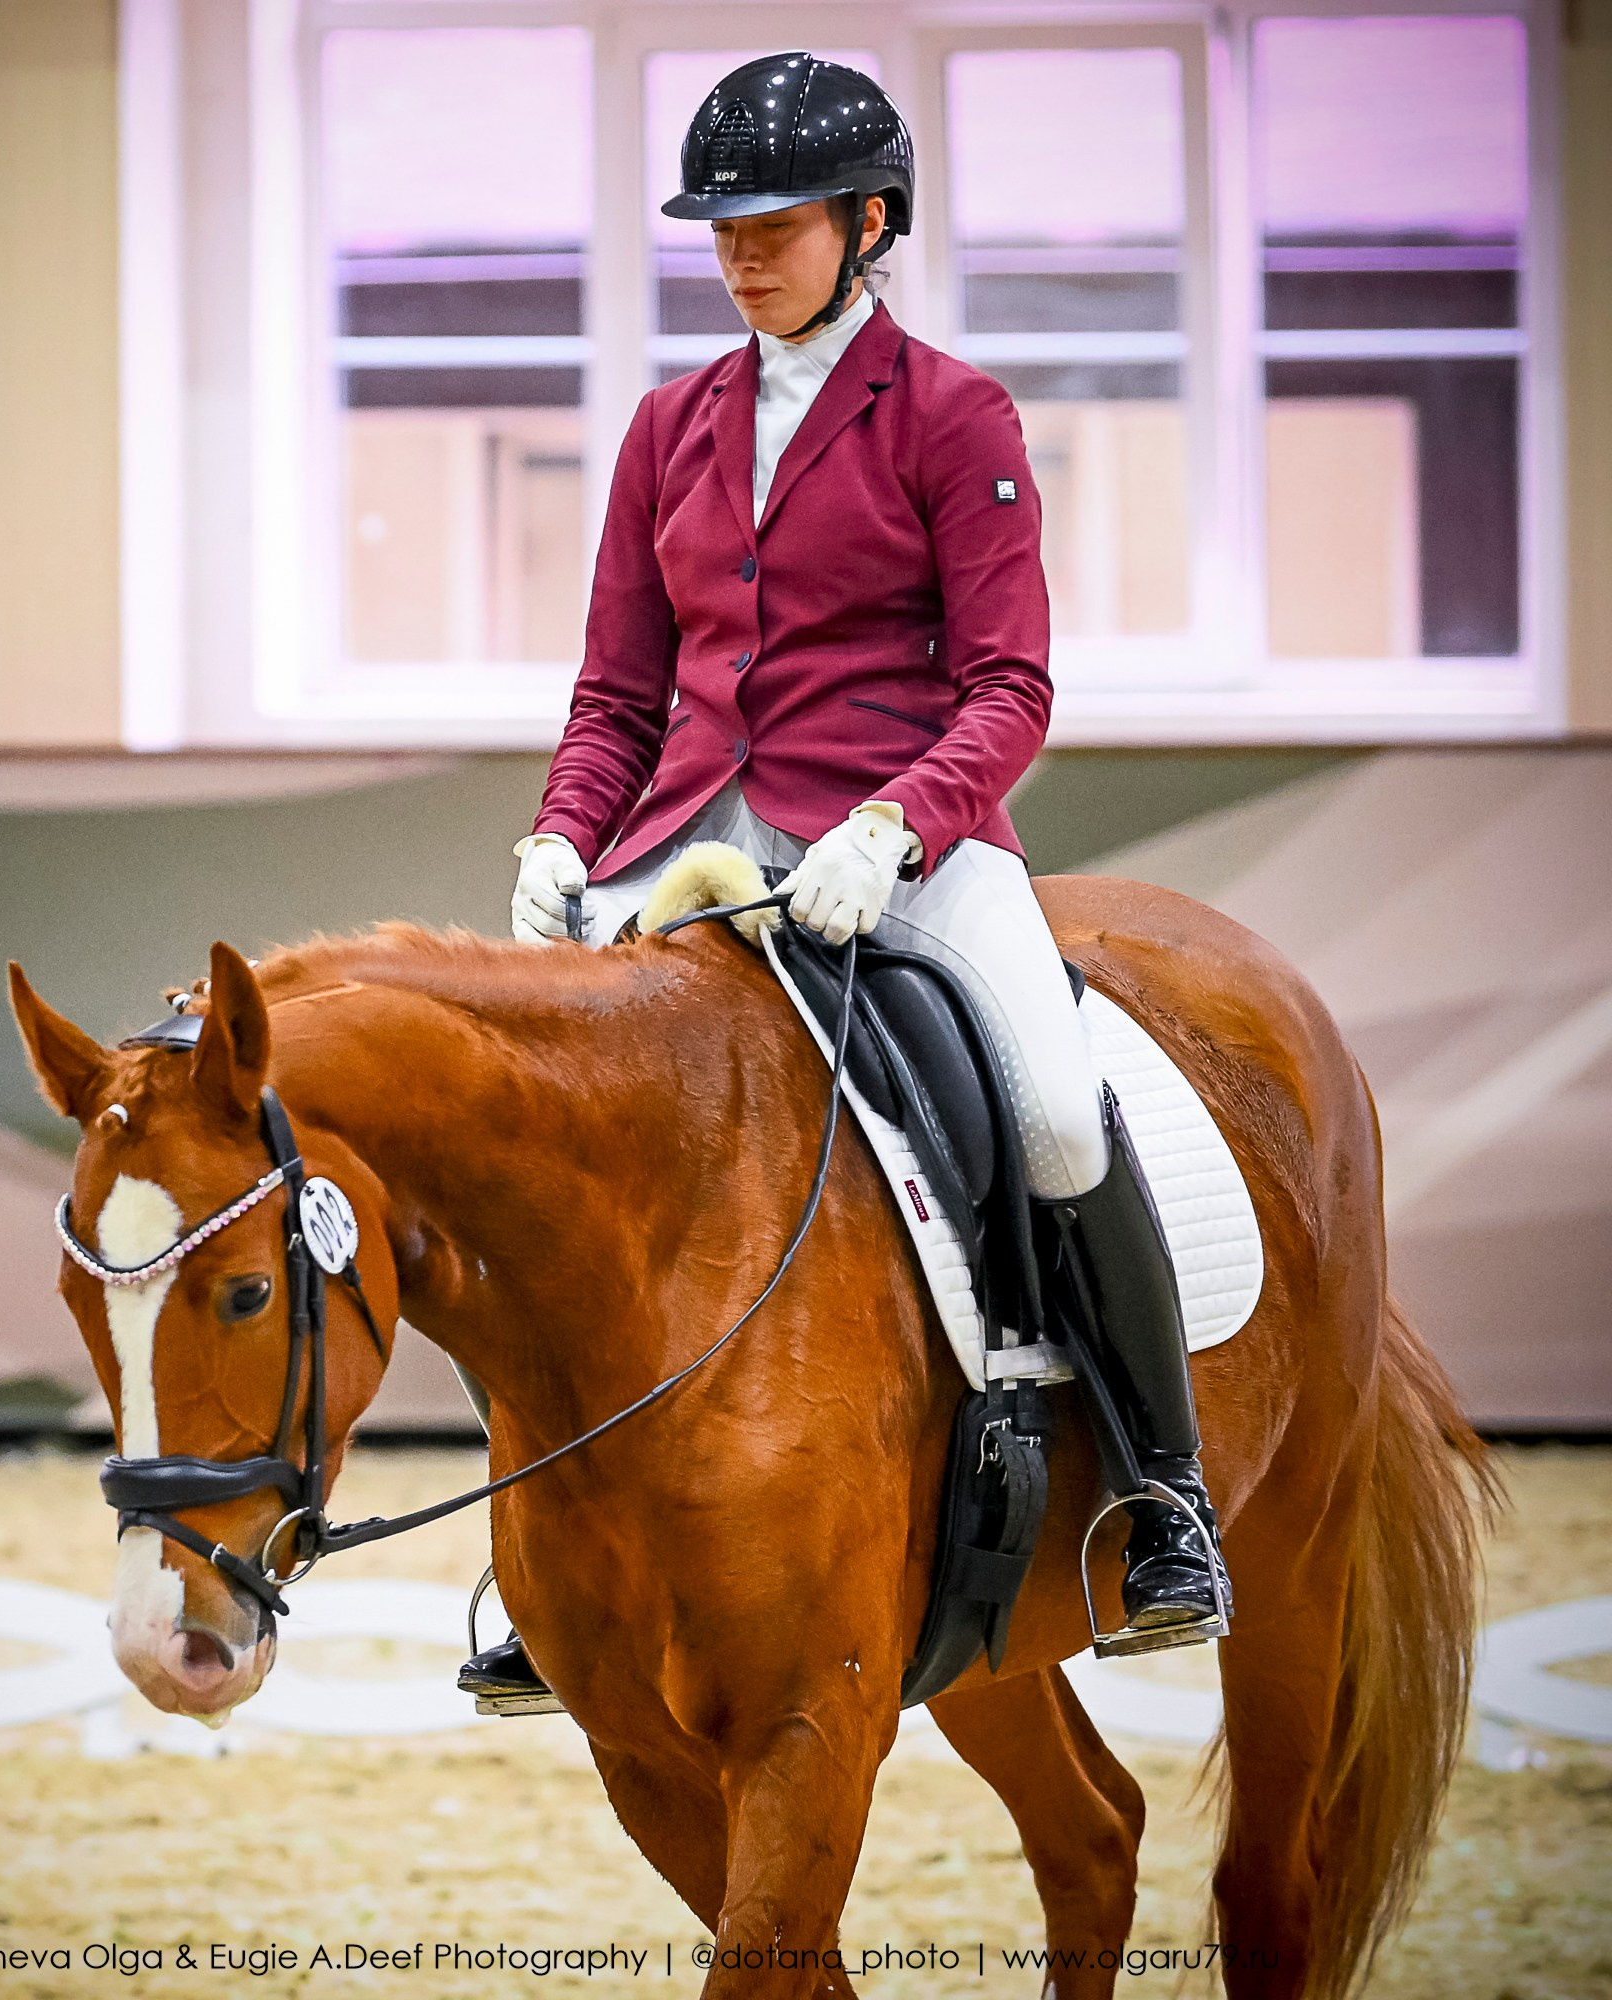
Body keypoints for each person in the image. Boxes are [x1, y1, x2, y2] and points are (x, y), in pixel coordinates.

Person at [461, 53, 1231, 1713]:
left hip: (902, 841)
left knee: (1054, 1112)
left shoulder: (955, 416)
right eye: (723, 228)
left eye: (777, 224)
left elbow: (1010, 687)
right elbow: (619, 695)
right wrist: (563, 836)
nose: (741, 255)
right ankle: (544, 1548)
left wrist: (896, 826)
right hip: (689, 846)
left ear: (870, 223)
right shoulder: (668, 430)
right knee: (537, 1136)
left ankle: (1164, 1497)